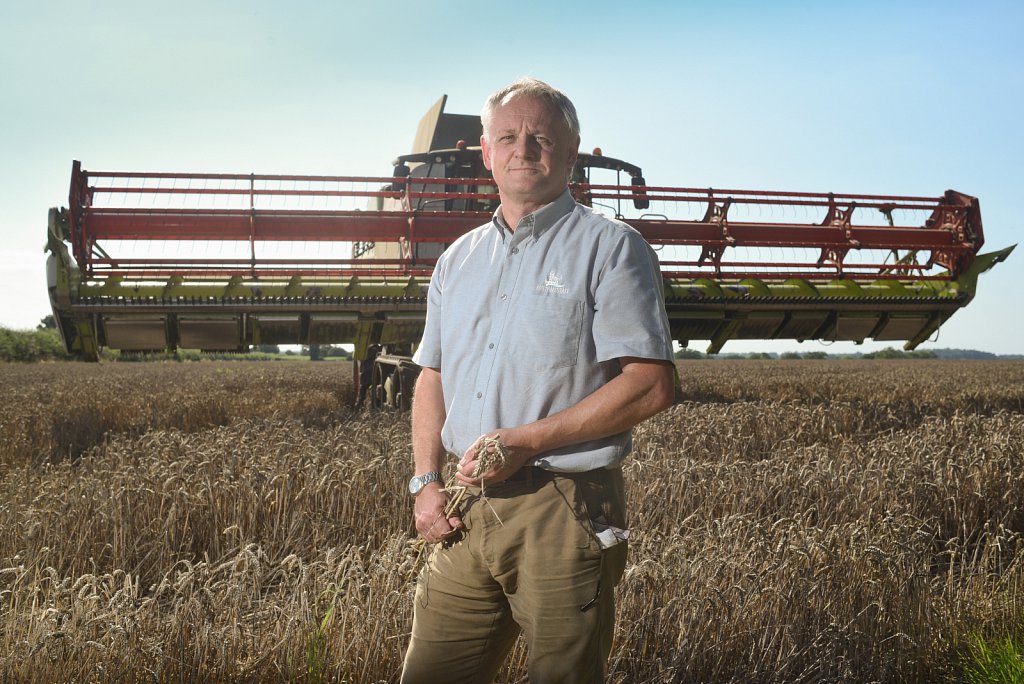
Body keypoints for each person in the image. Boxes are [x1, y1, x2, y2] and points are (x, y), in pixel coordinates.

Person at [401, 77, 676, 683]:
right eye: (508, 136)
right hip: (466, 508)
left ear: (571, 151)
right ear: (485, 151)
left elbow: (651, 384)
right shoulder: (458, 258)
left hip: (562, 507)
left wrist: (525, 441)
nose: (523, 149)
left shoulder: (611, 247)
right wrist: (425, 482)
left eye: (541, 137)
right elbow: (432, 375)